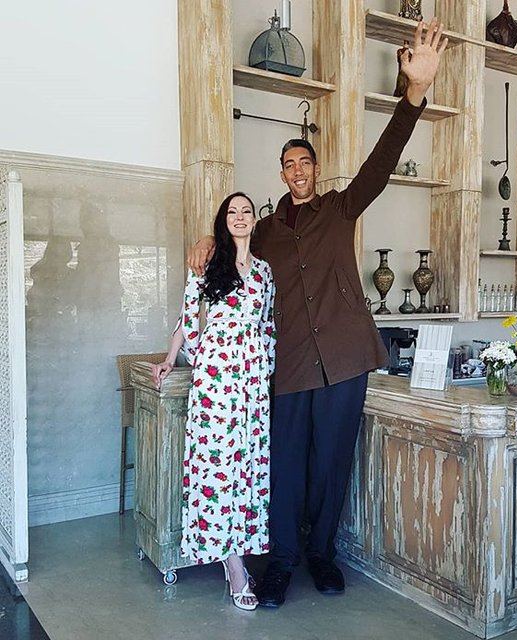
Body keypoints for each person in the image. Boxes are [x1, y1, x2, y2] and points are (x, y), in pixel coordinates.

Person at [188, 19, 447, 607]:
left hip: (346, 359)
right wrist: (205, 239)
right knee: (284, 466)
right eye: (290, 164)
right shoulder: (264, 232)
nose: (298, 170)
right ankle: (281, 562)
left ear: (315, 168)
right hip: (289, 364)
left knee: (331, 463)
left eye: (305, 161)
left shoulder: (339, 207)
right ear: (281, 173)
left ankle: (323, 555)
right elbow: (228, 244)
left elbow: (381, 162)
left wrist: (414, 94)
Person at [152, 192, 276, 611]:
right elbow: (187, 318)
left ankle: (238, 548)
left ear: (254, 220)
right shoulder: (207, 265)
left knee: (248, 466)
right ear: (223, 221)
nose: (239, 218)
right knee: (218, 464)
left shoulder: (264, 272)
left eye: (246, 212)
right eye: (232, 212)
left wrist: (267, 372)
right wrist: (169, 359)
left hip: (253, 380)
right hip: (217, 377)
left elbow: (268, 326)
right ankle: (234, 564)